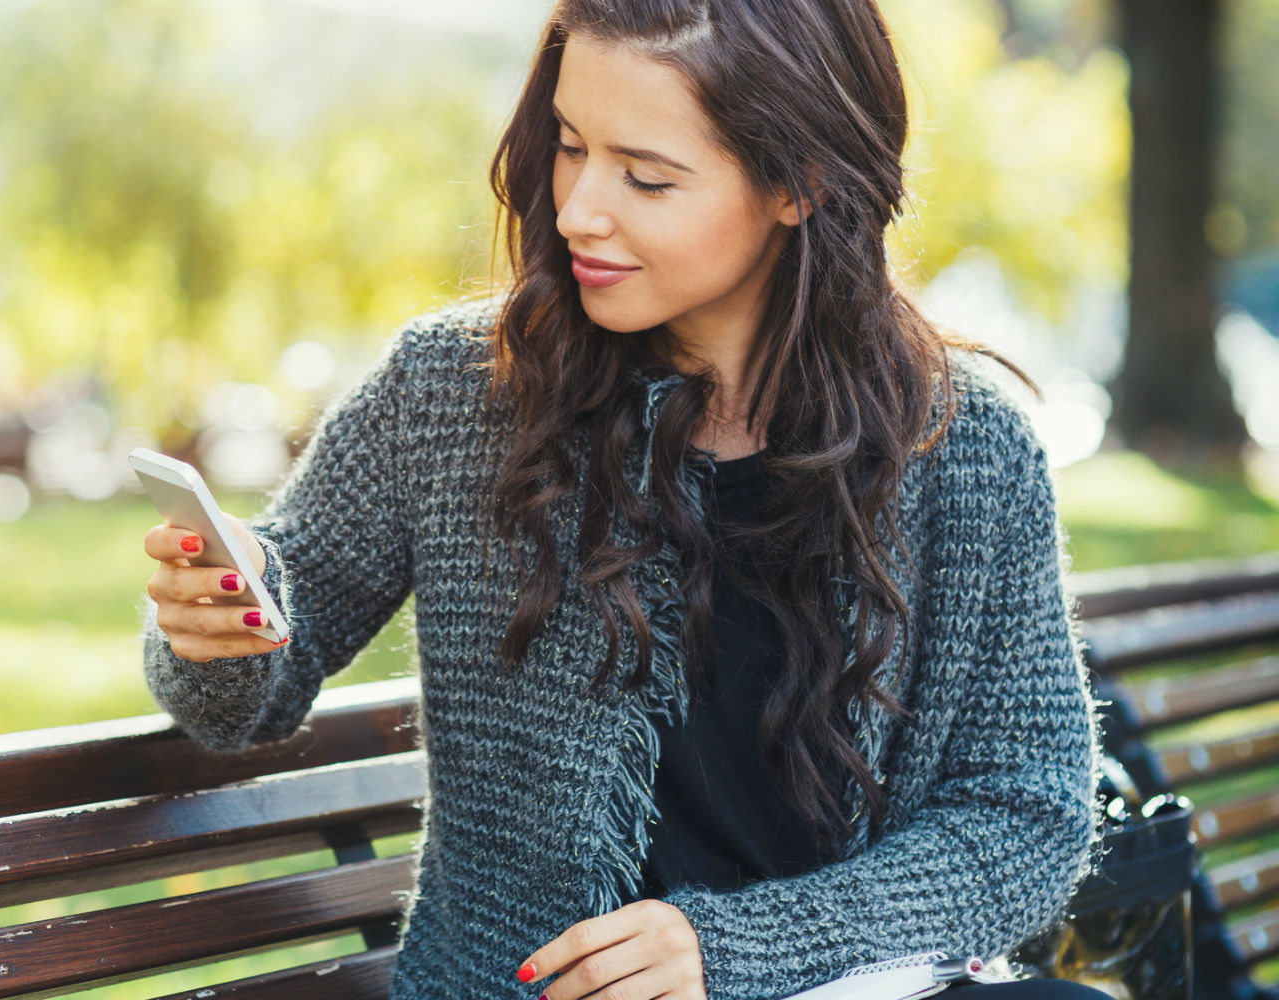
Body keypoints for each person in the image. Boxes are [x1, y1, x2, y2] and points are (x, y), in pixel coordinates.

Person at [139, 2, 1107, 999]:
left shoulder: (965, 447)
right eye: (568, 146)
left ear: (801, 182)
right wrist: (216, 629)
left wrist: (734, 948)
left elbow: (1024, 817)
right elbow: (263, 665)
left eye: (647, 176)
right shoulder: (453, 391)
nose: (577, 210)